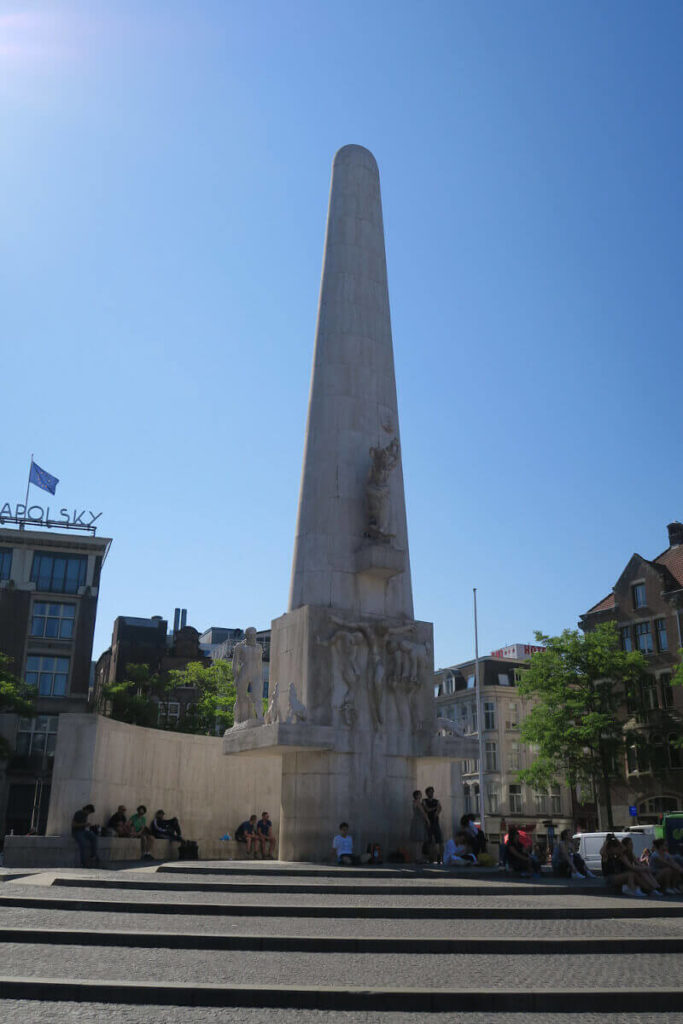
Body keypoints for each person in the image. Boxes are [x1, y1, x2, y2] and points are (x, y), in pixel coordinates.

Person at [232, 627, 264, 723]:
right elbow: (235, 664)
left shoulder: (259, 647)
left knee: (257, 697)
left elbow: (260, 663)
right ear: (246, 635)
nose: (252, 637)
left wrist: (261, 677)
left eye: (254, 635)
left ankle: (260, 717)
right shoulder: (240, 647)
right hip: (244, 672)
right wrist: (236, 677)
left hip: (256, 674)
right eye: (250, 635)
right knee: (240, 697)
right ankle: (237, 719)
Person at [72, 803, 99, 868]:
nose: (89, 814)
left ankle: (93, 855)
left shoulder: (85, 815)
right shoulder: (78, 813)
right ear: (87, 809)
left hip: (83, 831)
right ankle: (83, 862)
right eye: (89, 812)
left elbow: (83, 825)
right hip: (77, 832)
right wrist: (84, 824)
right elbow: (74, 825)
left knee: (94, 837)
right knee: (82, 844)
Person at [422, 787, 442, 863]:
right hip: (428, 823)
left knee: (438, 840)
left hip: (435, 822)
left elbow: (439, 809)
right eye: (430, 792)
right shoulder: (424, 801)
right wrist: (435, 808)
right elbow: (427, 809)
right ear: (427, 793)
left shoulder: (436, 801)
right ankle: (430, 857)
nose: (432, 793)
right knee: (428, 841)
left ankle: (439, 857)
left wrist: (436, 810)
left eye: (432, 792)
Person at [409, 790, 430, 863]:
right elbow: (423, 812)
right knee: (420, 841)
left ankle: (418, 857)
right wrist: (428, 820)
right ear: (417, 795)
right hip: (419, 822)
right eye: (420, 794)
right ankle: (418, 858)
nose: (421, 795)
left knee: (419, 841)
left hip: (417, 821)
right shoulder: (417, 802)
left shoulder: (415, 802)